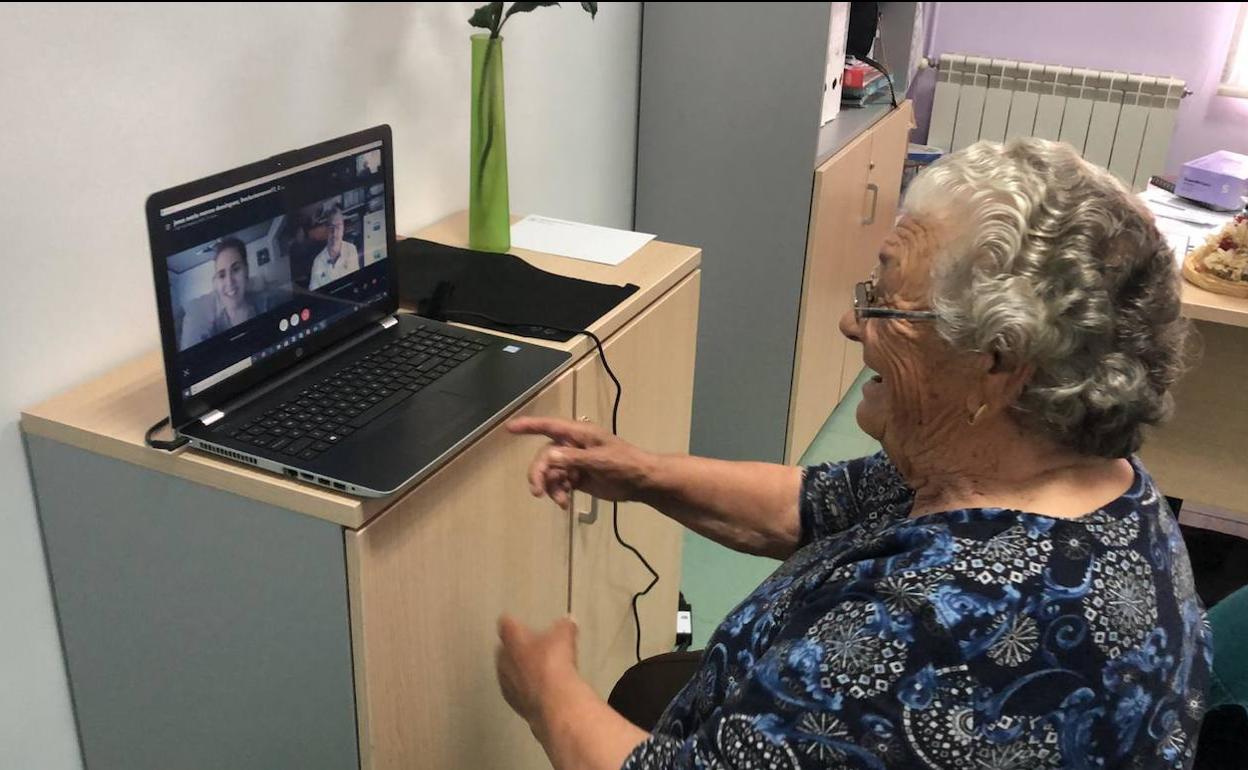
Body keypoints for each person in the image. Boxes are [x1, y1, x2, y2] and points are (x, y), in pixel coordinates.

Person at [494, 138, 1211, 769]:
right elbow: (808, 506)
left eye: (883, 302)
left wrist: (548, 693)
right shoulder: (1057, 467)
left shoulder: (928, 633)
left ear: (997, 362)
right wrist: (643, 473)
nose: (849, 320)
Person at [179, 237, 274, 349]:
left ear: (246, 271)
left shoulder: (267, 304)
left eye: (236, 269)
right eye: (222, 275)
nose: (229, 282)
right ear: (216, 283)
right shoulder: (213, 328)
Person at [307, 204, 360, 290]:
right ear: (327, 230)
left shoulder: (351, 249)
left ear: (343, 229)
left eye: (338, 227)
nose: (335, 233)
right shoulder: (318, 262)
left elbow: (356, 280)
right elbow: (314, 292)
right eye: (331, 227)